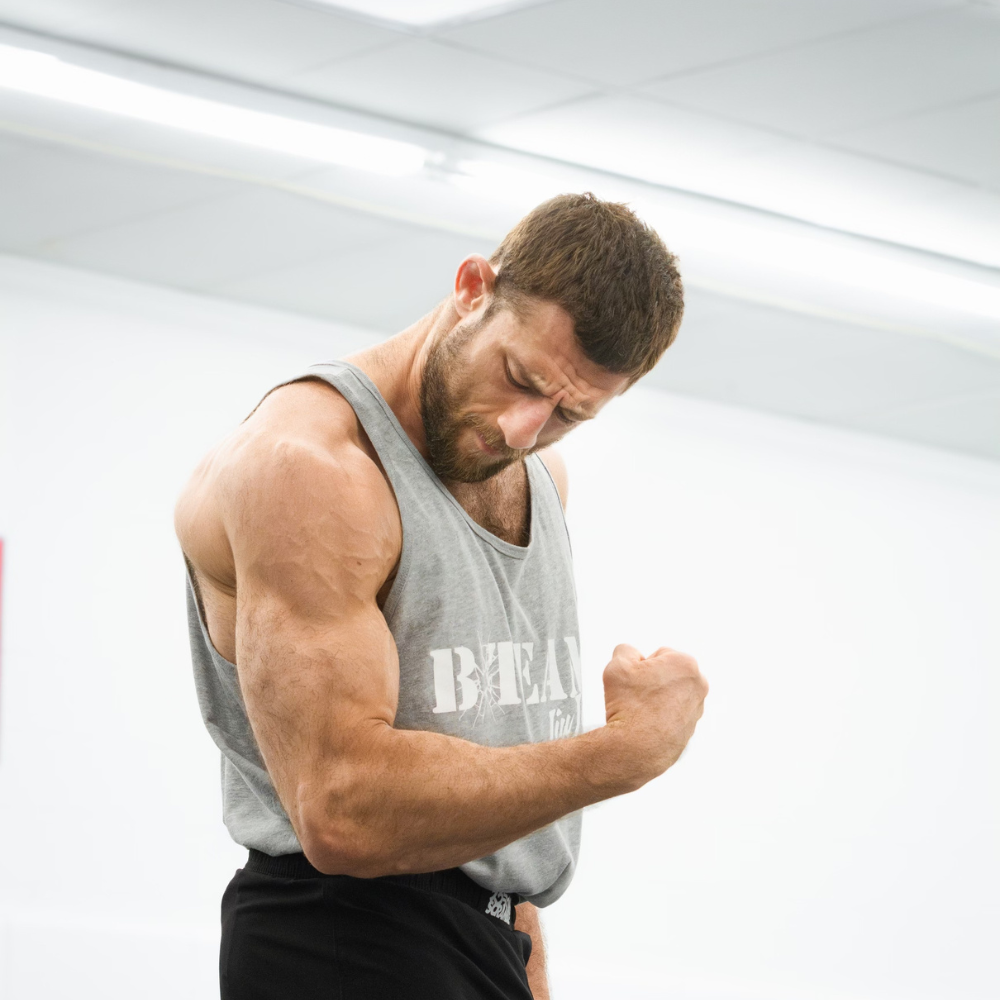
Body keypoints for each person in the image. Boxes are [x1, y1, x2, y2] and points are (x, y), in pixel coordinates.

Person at [174, 191, 709, 999]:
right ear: (471, 287)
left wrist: (524, 952)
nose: (524, 430)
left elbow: (494, 793)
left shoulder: (540, 481)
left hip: (480, 936)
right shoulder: (311, 468)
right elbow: (343, 811)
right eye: (521, 378)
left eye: (570, 413)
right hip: (337, 935)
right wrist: (625, 753)